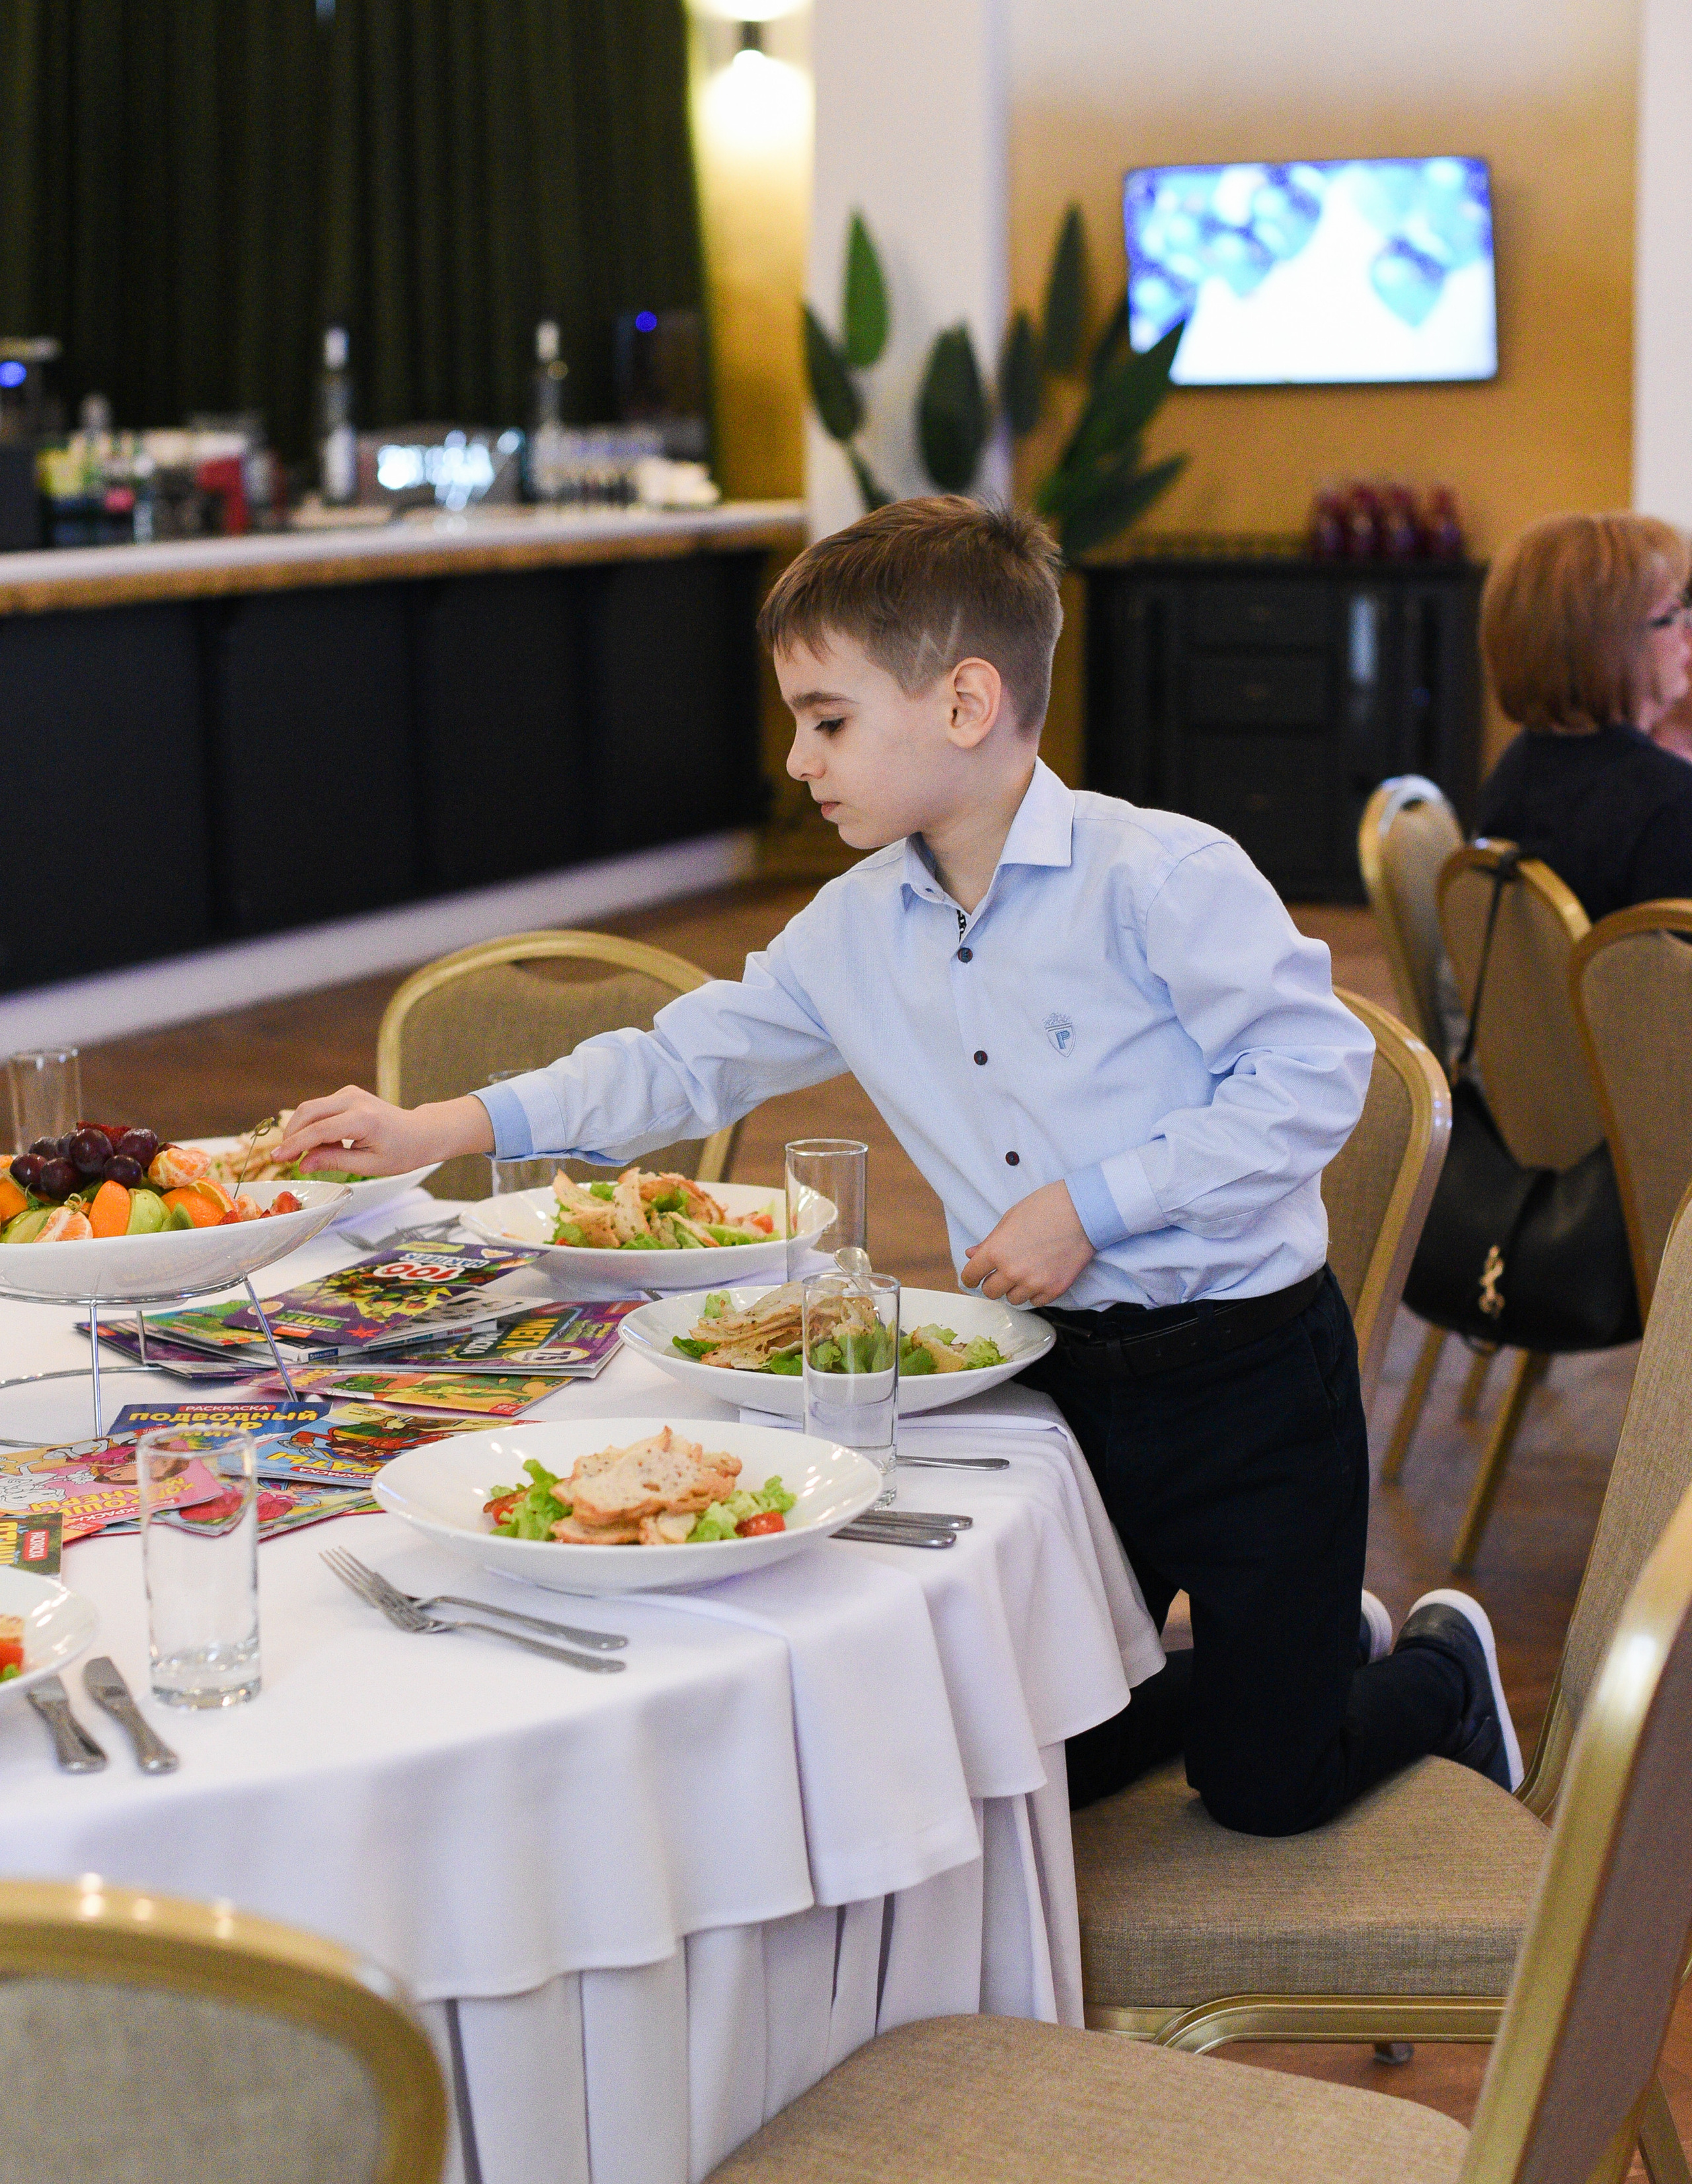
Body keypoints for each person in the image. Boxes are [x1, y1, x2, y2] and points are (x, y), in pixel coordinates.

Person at [273, 496, 1519, 1836]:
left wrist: (1085, 1207)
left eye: (827, 719)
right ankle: (1294, 1653)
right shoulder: (848, 930)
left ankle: (1437, 1669)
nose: (801, 761)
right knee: (1038, 1765)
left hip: (1249, 1381)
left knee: (1266, 1792)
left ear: (965, 702)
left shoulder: (1158, 877)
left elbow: (1310, 1076)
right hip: (1054, 1384)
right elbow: (675, 1062)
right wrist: (436, 1130)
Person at [1475, 510, 1692, 917]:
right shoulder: (1670, 802)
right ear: (1614, 644)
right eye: (1672, 615)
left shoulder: (1518, 766)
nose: (1688, 633)